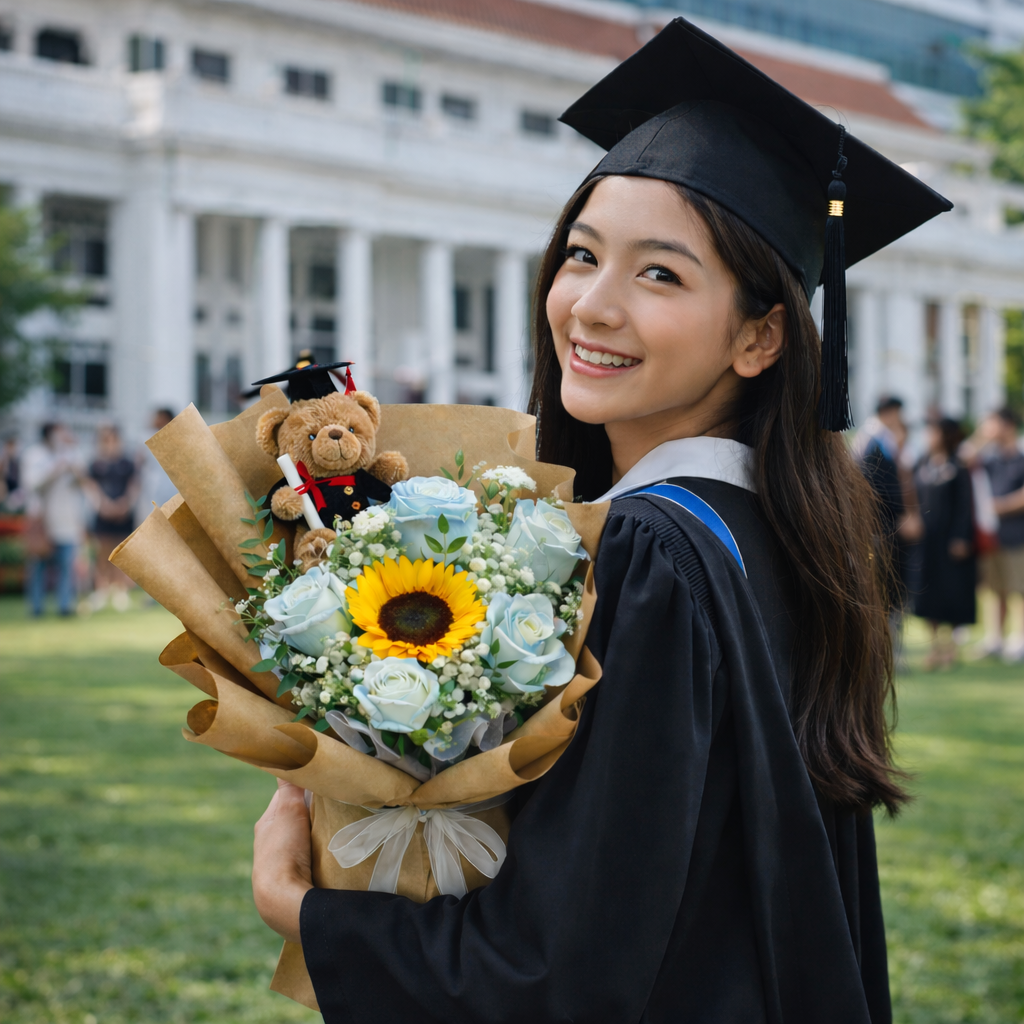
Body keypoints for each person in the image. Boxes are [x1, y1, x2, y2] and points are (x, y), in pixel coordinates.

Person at [250, 19, 952, 1023]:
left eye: (659, 273)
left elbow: (562, 967)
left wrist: (304, 907)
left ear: (760, 336)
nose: (591, 305)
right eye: (581, 255)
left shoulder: (652, 555)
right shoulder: (779, 536)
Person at [912, 417, 975, 668]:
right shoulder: (922, 464)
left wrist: (961, 536)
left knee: (951, 591)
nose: (929, 435)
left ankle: (950, 648)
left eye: (934, 431)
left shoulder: (958, 467)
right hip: (926, 543)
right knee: (928, 592)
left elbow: (964, 507)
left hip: (950, 542)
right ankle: (934, 646)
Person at [21, 422, 88, 616]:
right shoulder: (34, 455)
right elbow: (32, 485)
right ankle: (36, 607)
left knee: (67, 565)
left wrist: (73, 458)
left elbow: (83, 480)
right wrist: (56, 469)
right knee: (38, 566)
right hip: (41, 521)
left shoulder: (72, 454)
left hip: (66, 519)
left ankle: (65, 606)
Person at [977, 407, 1024, 662]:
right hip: (992, 536)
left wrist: (999, 506)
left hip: (1017, 534)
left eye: (993, 423)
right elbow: (965, 456)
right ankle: (995, 638)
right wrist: (982, 436)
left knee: (1019, 588)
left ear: (1007, 425)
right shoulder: (990, 458)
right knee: (995, 589)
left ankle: (1019, 639)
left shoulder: (1021, 455)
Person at [88, 423, 138, 611]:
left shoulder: (127, 463)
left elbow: (134, 486)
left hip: (123, 514)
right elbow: (92, 487)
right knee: (102, 552)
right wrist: (104, 505)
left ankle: (120, 590)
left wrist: (125, 504)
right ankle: (101, 589)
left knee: (121, 553)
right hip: (103, 514)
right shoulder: (96, 464)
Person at [134, 408, 178, 526]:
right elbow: (139, 461)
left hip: (171, 489)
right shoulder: (147, 437)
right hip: (154, 490)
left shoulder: (176, 440)